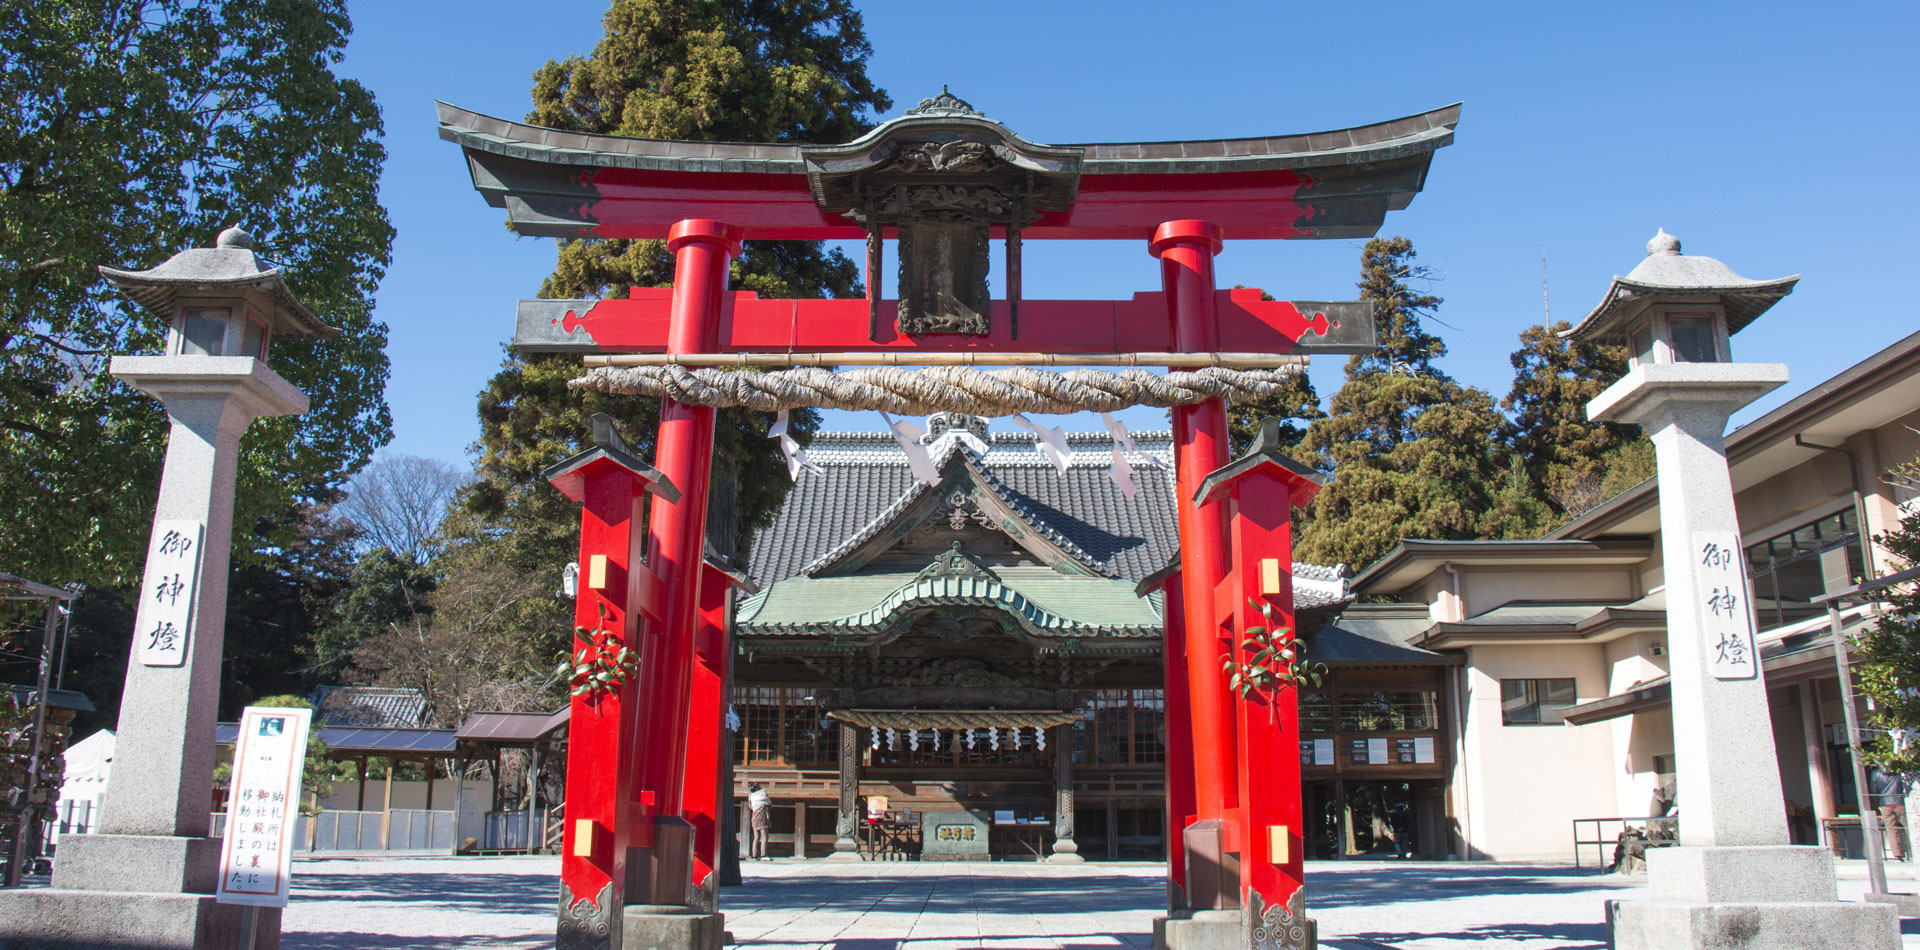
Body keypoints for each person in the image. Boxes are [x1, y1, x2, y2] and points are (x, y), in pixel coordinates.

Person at [1869, 767, 1911, 861]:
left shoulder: (1876, 773)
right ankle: (1912, 851)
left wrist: (1879, 802)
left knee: (1891, 830)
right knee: (1908, 828)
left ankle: (1897, 855)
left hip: (1885, 803)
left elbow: (1874, 789)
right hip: (1899, 801)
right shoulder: (1897, 772)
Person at [747, 784, 771, 860]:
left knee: (756, 837)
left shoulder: (751, 796)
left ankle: (754, 855)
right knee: (764, 836)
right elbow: (769, 804)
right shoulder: (763, 794)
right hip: (762, 815)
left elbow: (750, 806)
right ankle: (763, 854)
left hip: (754, 816)